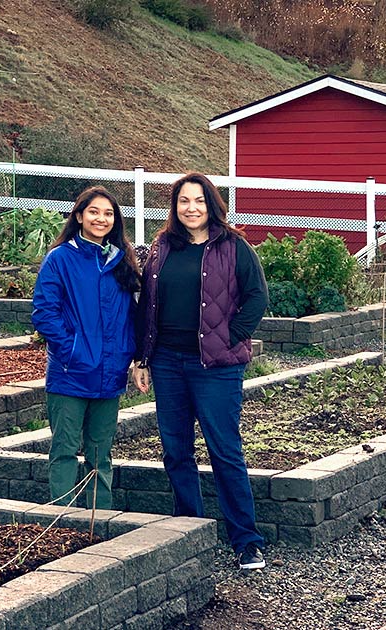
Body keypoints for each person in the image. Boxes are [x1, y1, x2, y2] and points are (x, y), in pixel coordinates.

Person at [131, 172, 269, 570]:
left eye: (199, 201)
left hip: (215, 367)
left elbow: (257, 297)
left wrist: (230, 337)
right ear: (175, 207)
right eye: (183, 201)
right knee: (176, 451)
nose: (191, 208)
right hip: (168, 363)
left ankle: (246, 539)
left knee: (224, 450)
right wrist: (143, 358)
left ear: (212, 204)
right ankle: (188, 530)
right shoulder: (162, 248)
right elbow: (147, 306)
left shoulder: (234, 247)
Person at [32, 186, 141, 509]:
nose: (101, 218)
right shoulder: (61, 259)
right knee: (65, 450)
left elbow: (131, 315)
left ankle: (98, 522)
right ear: (79, 216)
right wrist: (73, 351)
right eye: (94, 211)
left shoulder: (120, 261)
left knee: (100, 455)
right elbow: (44, 313)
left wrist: (129, 355)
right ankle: (62, 524)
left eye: (108, 213)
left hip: (110, 374)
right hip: (71, 373)